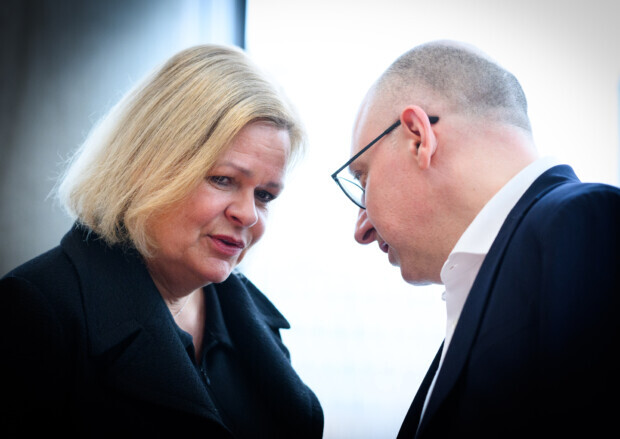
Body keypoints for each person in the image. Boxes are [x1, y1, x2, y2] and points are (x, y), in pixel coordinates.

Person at [1, 44, 323, 438]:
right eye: (223, 179)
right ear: (146, 167)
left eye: (265, 195)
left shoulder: (252, 316)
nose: (249, 214)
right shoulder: (34, 311)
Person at [331, 40, 620, 438]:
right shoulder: (499, 271)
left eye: (363, 179)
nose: (361, 229)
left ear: (418, 136)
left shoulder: (585, 222)